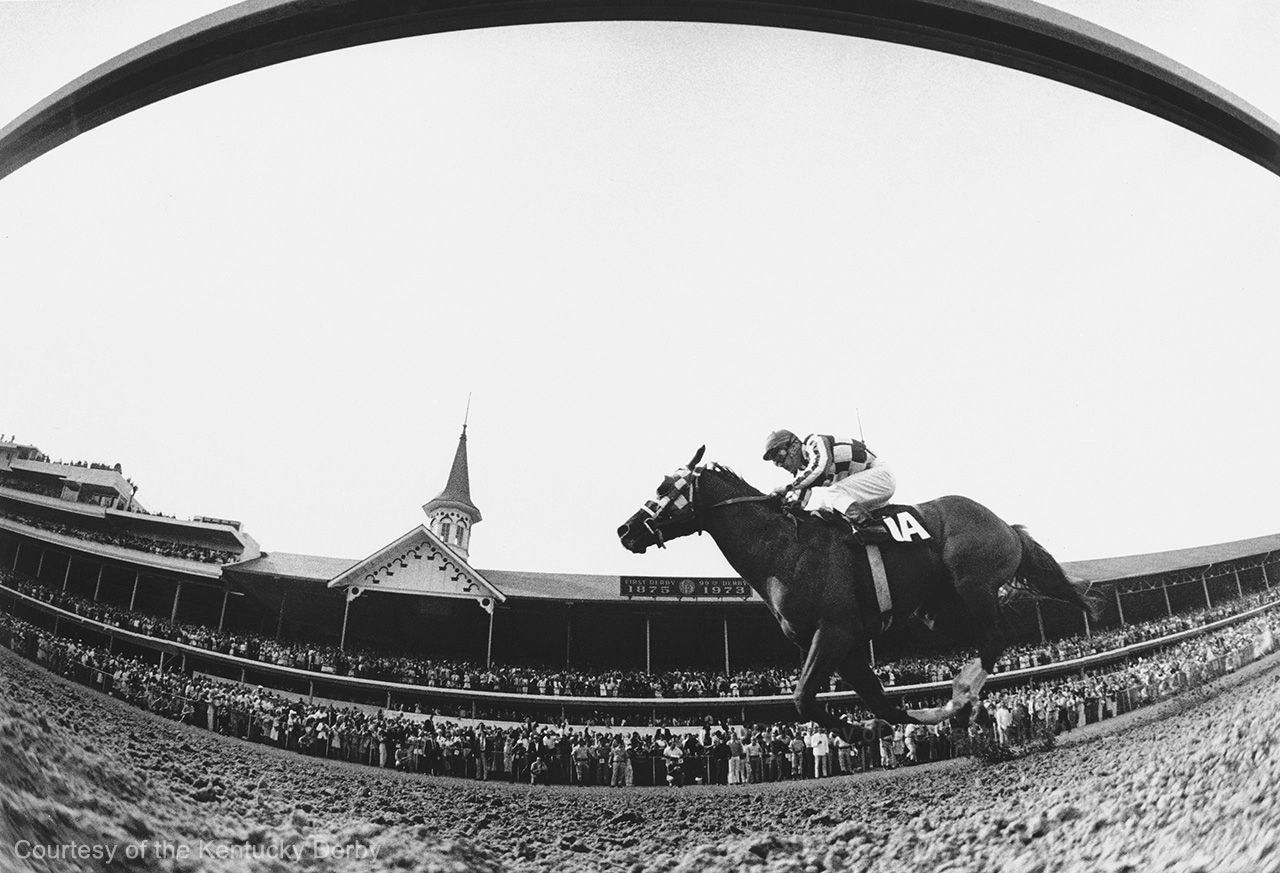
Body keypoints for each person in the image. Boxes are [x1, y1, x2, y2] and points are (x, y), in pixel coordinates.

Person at [762, 429, 896, 533]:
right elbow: (799, 502)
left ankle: (870, 527)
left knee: (830, 493)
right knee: (822, 505)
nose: (781, 464)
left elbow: (820, 468)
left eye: (780, 457)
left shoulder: (814, 442)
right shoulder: (803, 475)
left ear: (794, 446)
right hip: (867, 492)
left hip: (880, 476)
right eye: (776, 463)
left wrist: (787, 488)